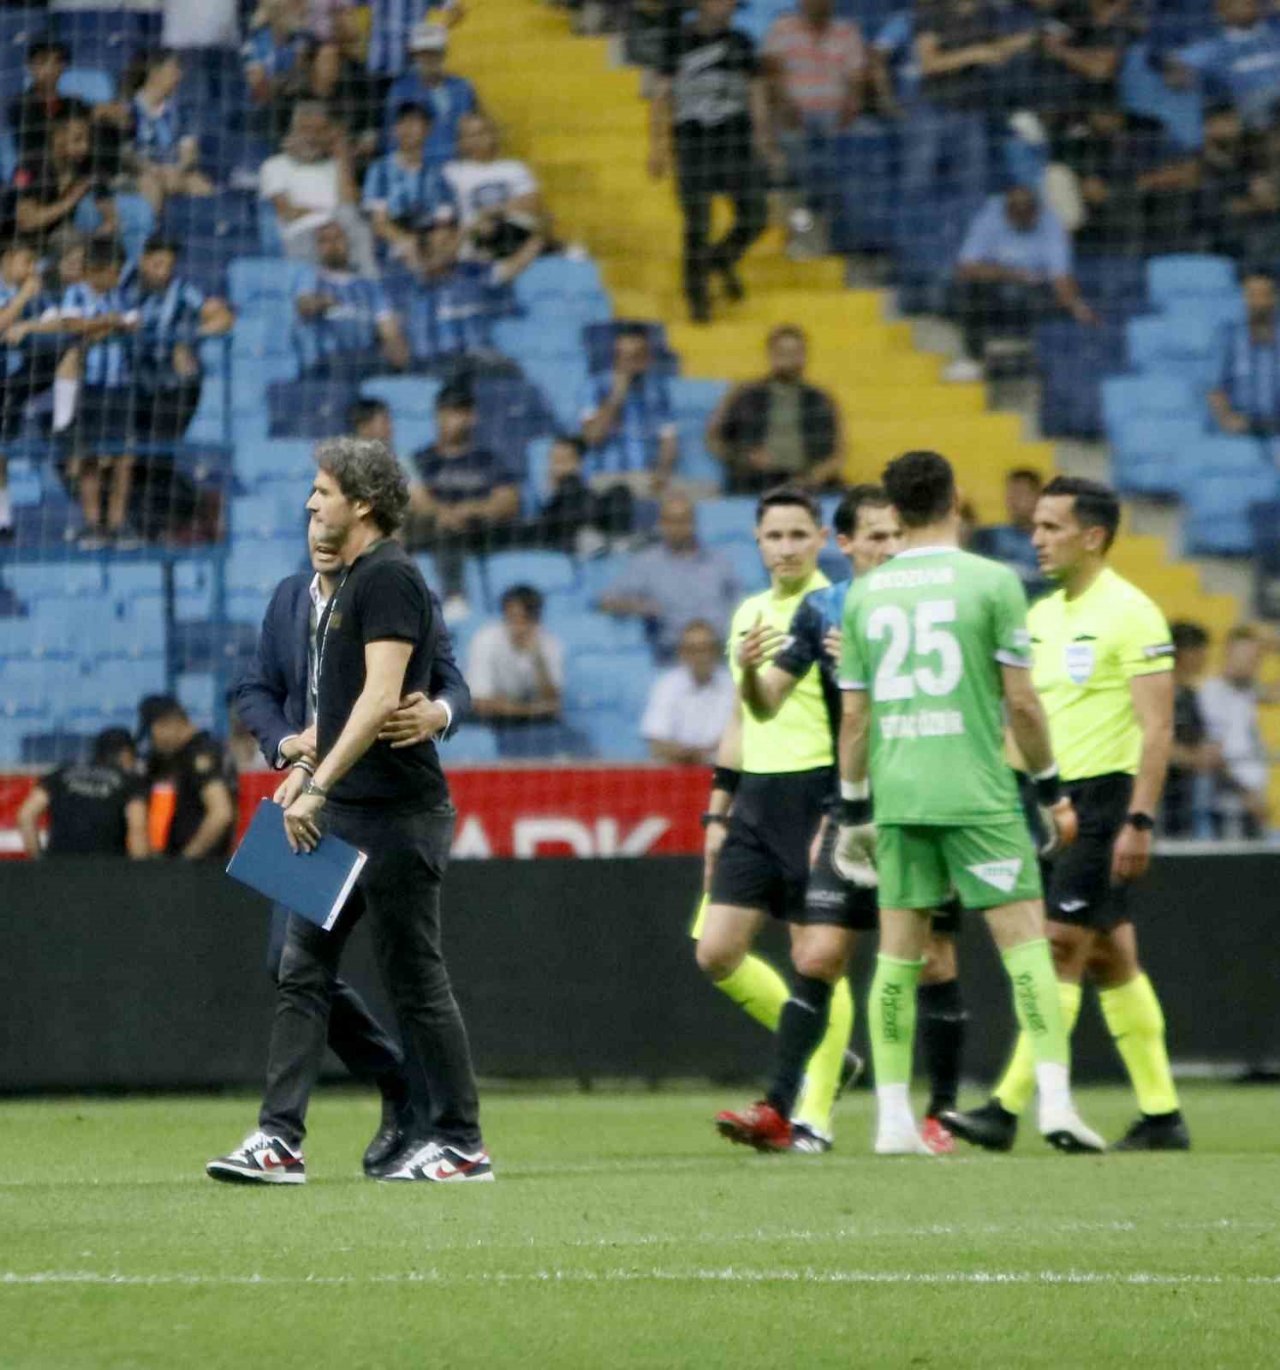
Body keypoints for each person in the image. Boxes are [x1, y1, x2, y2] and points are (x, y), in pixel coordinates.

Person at [207, 437, 490, 1185]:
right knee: (295, 968)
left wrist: (432, 715)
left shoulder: (390, 580)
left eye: (322, 492)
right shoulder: (296, 597)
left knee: (412, 979)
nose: (308, 506)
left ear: (361, 504)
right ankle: (280, 1139)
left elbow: (390, 693)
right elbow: (254, 693)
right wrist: (295, 760)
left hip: (383, 807)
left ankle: (456, 1136)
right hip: (321, 800)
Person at [832, 452, 1100, 1156]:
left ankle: (892, 1119)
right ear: (957, 498)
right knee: (1024, 949)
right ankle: (1057, 1105)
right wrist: (1049, 788)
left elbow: (854, 719)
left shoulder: (865, 594)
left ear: (892, 507)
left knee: (896, 960)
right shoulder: (993, 581)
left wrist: (854, 806)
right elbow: (1022, 701)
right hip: (978, 792)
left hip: (899, 791)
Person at [714, 485, 960, 1155]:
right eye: (875, 536)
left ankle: (941, 1113)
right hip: (848, 807)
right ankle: (779, 1108)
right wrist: (745, 671)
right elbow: (765, 703)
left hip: (923, 798)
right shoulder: (822, 610)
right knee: (819, 953)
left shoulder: (936, 608)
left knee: (931, 959)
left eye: (895, 535)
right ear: (847, 543)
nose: (887, 547)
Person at [944, 475, 1187, 1153]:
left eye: (1052, 526)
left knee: (1057, 948)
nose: (1036, 537)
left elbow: (1158, 728)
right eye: (1037, 525)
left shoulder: (1132, 614)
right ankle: (1163, 1115)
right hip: (1048, 805)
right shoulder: (1042, 616)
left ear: (1094, 536)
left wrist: (1139, 820)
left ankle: (1006, 1105)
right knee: (1112, 959)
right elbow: (1025, 724)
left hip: (1107, 800)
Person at [690, 486, 857, 1152]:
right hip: (757, 799)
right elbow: (740, 715)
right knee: (716, 950)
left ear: (820, 539)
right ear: (757, 543)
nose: (785, 547)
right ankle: (827, 1055)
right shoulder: (751, 614)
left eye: (797, 535)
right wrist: (717, 809)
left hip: (818, 796)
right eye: (773, 537)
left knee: (815, 958)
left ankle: (812, 1113)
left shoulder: (837, 612)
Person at [650, 0, 776, 323]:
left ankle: (719, 259)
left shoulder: (742, 42)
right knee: (697, 223)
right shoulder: (677, 41)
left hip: (734, 142)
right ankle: (697, 297)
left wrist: (764, 140)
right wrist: (657, 147)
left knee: (756, 215)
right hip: (693, 144)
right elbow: (661, 96)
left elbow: (756, 91)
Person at [947, 186, 1097, 383]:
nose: (1024, 219)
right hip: (996, 288)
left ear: (1036, 212)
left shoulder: (1050, 223)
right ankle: (973, 358)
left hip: (1034, 292)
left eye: (1028, 214)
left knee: (1062, 306)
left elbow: (1061, 274)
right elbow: (966, 268)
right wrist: (1012, 274)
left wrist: (1076, 305)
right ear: (1007, 212)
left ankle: (1043, 366)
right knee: (969, 290)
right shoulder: (989, 217)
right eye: (1018, 214)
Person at [406, 380, 521, 620]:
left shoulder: (487, 459)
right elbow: (416, 499)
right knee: (440, 527)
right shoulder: (422, 459)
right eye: (446, 411)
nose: (452, 419)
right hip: (435, 532)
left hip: (480, 530)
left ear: (472, 417)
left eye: (459, 412)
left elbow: (508, 501)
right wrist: (445, 514)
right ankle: (454, 596)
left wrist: (469, 510)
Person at [58, 237, 144, 549]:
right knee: (90, 457)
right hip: (89, 387)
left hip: (119, 387)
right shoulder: (75, 293)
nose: (116, 276)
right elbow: (72, 326)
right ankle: (93, 524)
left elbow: (133, 323)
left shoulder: (121, 295)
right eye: (113, 271)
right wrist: (109, 323)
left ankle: (119, 524)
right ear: (99, 270)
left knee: (123, 458)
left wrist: (101, 326)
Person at [597, 491, 740, 663]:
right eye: (671, 521)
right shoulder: (646, 563)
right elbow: (606, 602)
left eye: (684, 520)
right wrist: (641, 606)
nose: (678, 527)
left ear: (694, 523)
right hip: (674, 658)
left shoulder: (718, 562)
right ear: (661, 524)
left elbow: (739, 603)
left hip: (719, 655)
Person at [398, 205, 543, 371]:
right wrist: (470, 226)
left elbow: (516, 265)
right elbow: (433, 263)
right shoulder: (413, 278)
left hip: (480, 368)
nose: (448, 238)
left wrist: (539, 233)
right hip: (432, 369)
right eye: (437, 233)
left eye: (451, 230)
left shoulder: (474, 271)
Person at [705, 324, 843, 492]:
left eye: (795, 352)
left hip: (806, 483)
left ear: (804, 356)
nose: (789, 358)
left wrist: (815, 476)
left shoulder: (821, 399)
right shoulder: (743, 394)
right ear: (770, 354)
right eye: (782, 352)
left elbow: (838, 452)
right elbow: (713, 439)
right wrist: (745, 458)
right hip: (754, 481)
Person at [124, 236, 236, 445]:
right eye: (157, 265)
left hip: (173, 388)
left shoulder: (183, 292)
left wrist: (186, 339)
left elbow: (224, 319)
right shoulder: (125, 286)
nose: (163, 272)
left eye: (169, 266)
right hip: (135, 385)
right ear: (142, 261)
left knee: (159, 450)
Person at [467, 584, 584, 758]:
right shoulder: (485, 639)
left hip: (529, 716)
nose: (519, 626)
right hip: (491, 717)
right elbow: (480, 703)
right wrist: (532, 710)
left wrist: (537, 658)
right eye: (513, 617)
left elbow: (553, 702)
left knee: (575, 739)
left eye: (526, 619)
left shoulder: (548, 643)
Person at [259, 102, 376, 274]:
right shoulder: (274, 165)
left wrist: (341, 156)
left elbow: (350, 204)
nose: (312, 137)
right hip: (304, 232)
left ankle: (371, 292)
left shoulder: (334, 165)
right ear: (293, 131)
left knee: (361, 231)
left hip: (343, 227)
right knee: (328, 237)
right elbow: (288, 213)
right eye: (306, 129)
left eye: (319, 131)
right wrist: (324, 216)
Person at [0, 239, 64, 539]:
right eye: (26, 262)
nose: (31, 270)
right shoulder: (22, 294)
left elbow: (58, 323)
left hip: (11, 383)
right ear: (8, 258)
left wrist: (29, 326)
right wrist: (24, 297)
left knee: (1, 453)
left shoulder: (33, 295)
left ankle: (3, 521)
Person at [293, 219, 409, 380]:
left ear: (348, 242)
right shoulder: (312, 278)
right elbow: (303, 305)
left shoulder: (370, 287)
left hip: (364, 362)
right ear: (317, 248)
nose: (333, 245)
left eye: (337, 238)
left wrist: (396, 348)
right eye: (324, 241)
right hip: (326, 364)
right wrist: (322, 303)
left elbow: (389, 330)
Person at [17, 728, 150, 859]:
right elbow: (137, 828)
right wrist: (142, 871)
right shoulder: (130, 782)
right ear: (126, 754)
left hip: (58, 869)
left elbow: (26, 814)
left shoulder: (61, 773)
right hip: (108, 871)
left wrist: (37, 859)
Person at [578, 325, 678, 494]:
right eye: (625, 357)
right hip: (607, 477)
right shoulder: (595, 386)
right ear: (615, 358)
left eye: (638, 356)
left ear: (647, 357)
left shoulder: (658, 390)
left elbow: (669, 440)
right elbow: (591, 437)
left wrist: (662, 473)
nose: (632, 363)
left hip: (648, 477)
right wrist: (616, 396)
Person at [139, 695, 237, 862]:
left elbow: (221, 813)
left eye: (152, 734)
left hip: (202, 871)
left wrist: (186, 859)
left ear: (167, 723)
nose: (153, 743)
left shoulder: (199, 754)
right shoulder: (177, 758)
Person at [1198, 625, 1273, 839]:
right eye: (1248, 657)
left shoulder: (1245, 692)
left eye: (1257, 658)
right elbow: (1215, 753)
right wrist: (1248, 795)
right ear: (1229, 653)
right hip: (1229, 805)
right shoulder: (1213, 693)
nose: (1254, 665)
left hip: (1251, 799)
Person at [363, 102, 455, 267]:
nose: (407, 129)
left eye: (414, 123)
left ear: (428, 130)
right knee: (407, 249)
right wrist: (406, 240)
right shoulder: (380, 170)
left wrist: (430, 244)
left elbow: (444, 222)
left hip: (429, 240)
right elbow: (379, 222)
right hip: (394, 244)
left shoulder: (438, 174)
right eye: (402, 123)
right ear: (393, 130)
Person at [123, 49, 215, 214]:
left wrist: (177, 170)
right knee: (151, 185)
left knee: (203, 186)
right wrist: (153, 170)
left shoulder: (181, 113)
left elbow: (189, 152)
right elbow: (125, 153)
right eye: (174, 70)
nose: (180, 76)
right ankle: (152, 236)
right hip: (138, 174)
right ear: (155, 72)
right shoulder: (127, 109)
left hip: (174, 173)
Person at [13, 111, 118, 252]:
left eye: (87, 140)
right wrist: (69, 201)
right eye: (77, 139)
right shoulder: (31, 165)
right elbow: (26, 221)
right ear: (58, 136)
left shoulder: (88, 166)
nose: (85, 147)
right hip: (22, 247)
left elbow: (109, 212)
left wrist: (108, 224)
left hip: (67, 247)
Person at [442, 113, 544, 259]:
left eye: (482, 132)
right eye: (471, 135)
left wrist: (492, 212)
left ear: (494, 135)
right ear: (461, 142)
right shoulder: (451, 173)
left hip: (515, 242)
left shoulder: (514, 168)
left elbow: (532, 202)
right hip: (473, 247)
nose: (478, 139)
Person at [1167, 0, 1280, 130]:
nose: (1247, 7)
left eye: (1250, 2)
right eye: (1237, 4)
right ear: (1222, 11)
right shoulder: (1212, 48)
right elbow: (1175, 71)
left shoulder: (1275, 34)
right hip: (1249, 114)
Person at [383, 21, 480, 167]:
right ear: (414, 55)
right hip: (417, 169)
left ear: (444, 53)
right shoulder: (400, 90)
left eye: (434, 52)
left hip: (459, 168)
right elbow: (390, 137)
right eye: (423, 53)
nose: (429, 58)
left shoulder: (462, 87)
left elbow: (474, 130)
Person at [641, 619, 737, 765]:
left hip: (722, 773)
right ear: (682, 653)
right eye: (693, 650)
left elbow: (740, 738)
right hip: (676, 773)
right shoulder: (667, 685)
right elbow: (656, 743)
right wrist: (691, 755)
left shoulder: (733, 685)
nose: (701, 657)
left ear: (717, 651)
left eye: (706, 648)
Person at [1162, 621, 1220, 838]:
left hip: (1186, 797)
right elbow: (1146, 740)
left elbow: (1197, 737)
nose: (1205, 657)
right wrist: (1191, 758)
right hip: (1161, 797)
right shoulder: (1157, 693)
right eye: (1201, 651)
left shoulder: (1189, 695)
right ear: (1185, 653)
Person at [1209, 271, 1280, 435]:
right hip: (1243, 427)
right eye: (1252, 295)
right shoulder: (1229, 337)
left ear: (1275, 298)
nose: (1258, 302)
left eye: (1263, 295)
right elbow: (1215, 388)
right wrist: (1227, 418)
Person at [970, 467, 1047, 596]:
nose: (1013, 501)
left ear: (1038, 497)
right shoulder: (990, 537)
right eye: (1010, 494)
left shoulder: (1050, 541)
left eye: (1021, 494)